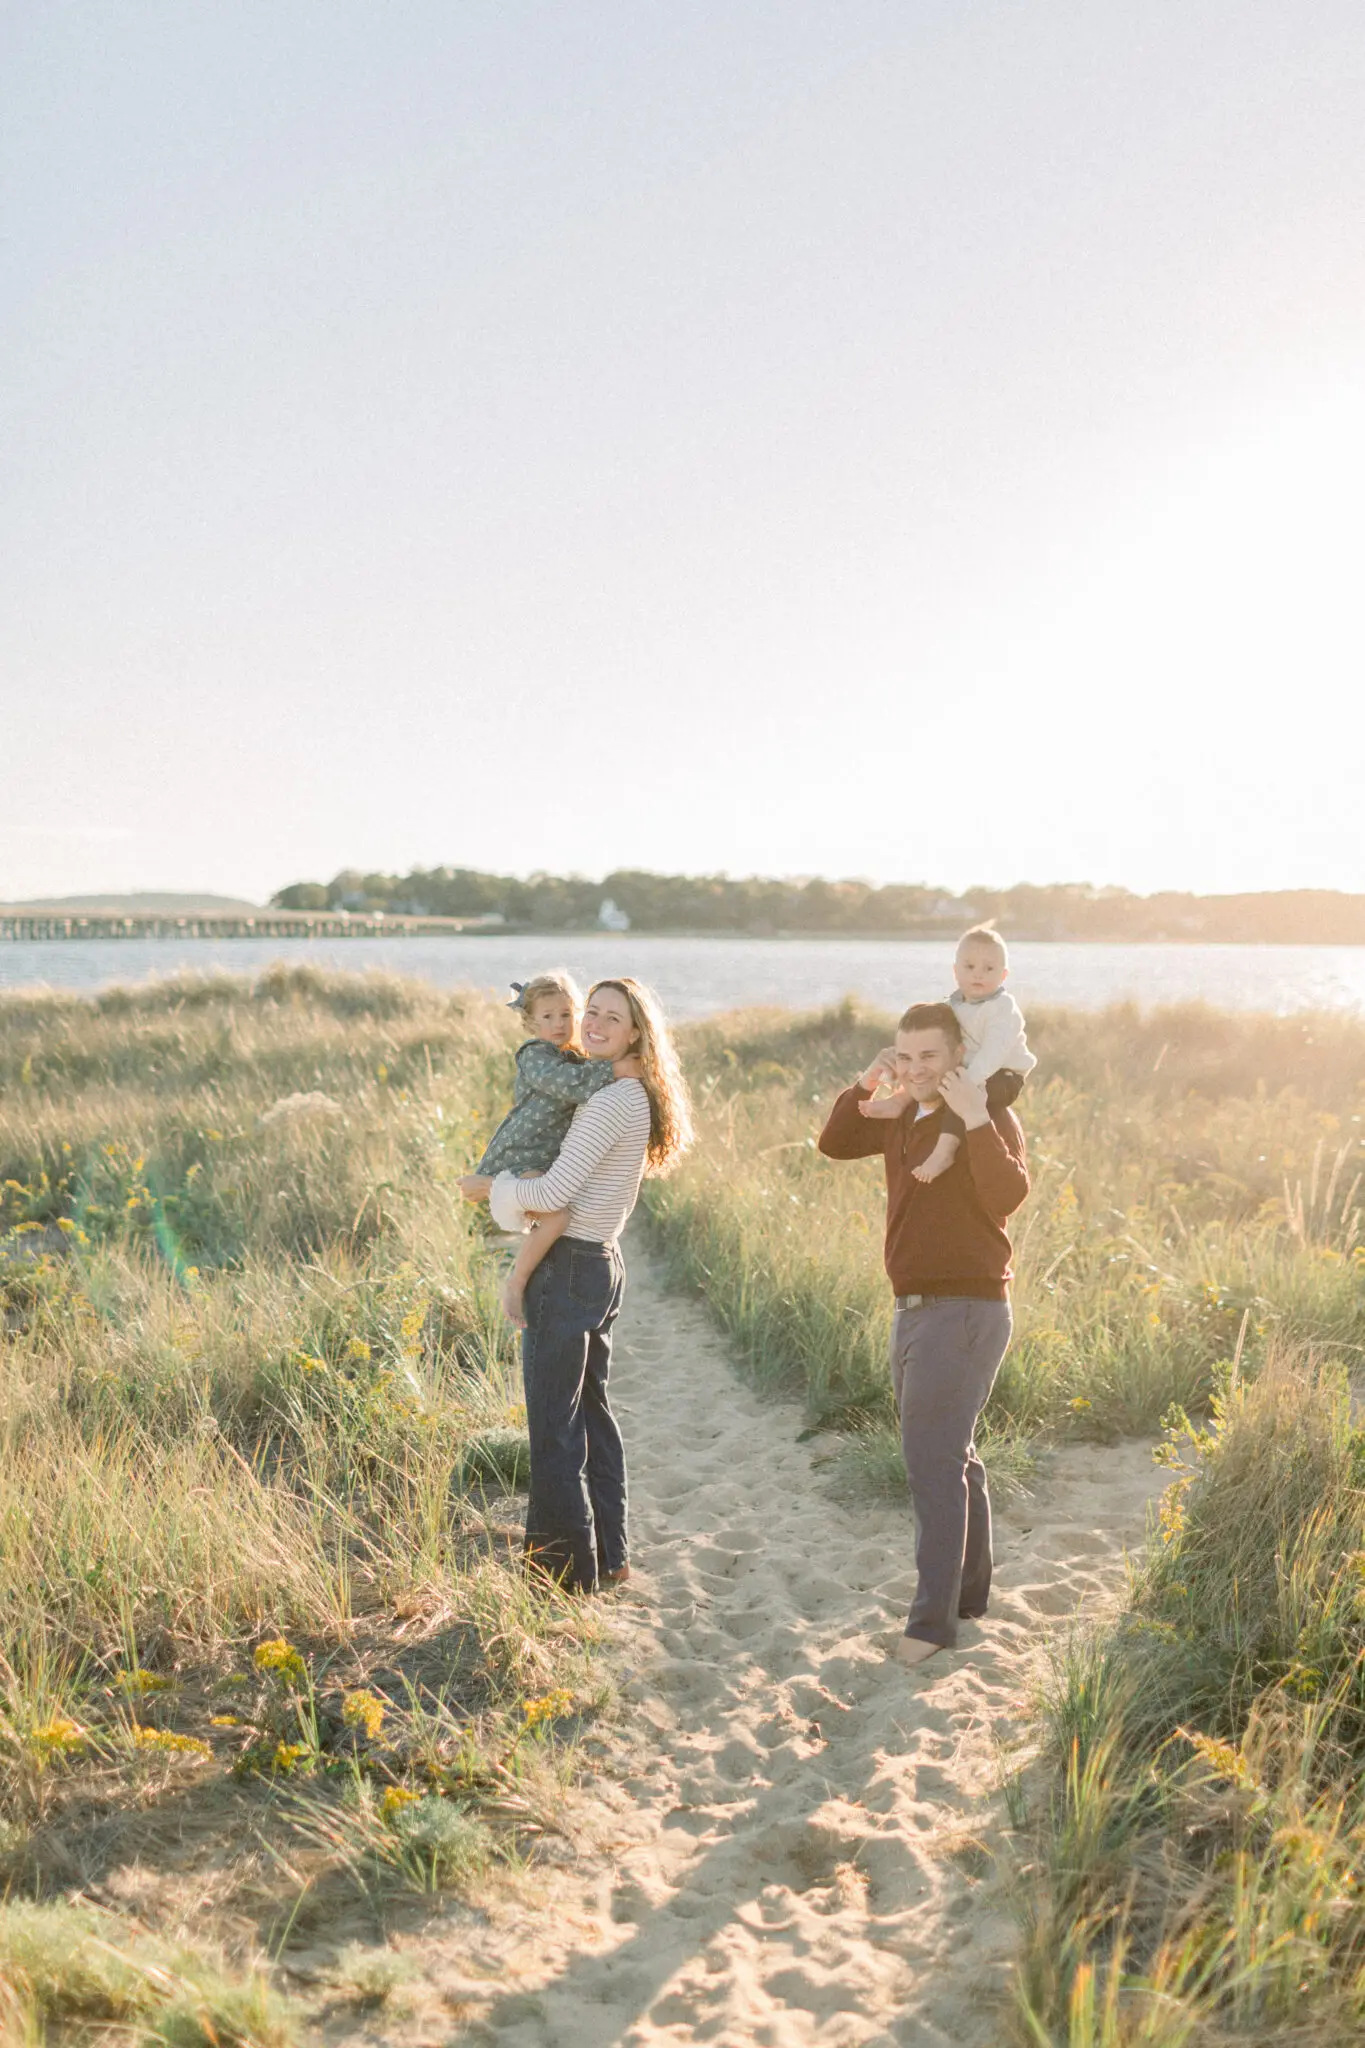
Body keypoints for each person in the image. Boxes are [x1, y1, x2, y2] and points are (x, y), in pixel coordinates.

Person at [460, 978, 692, 1595]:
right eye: (592, 1011)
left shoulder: (611, 1100)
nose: (594, 1023)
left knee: (554, 1428)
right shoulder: (629, 1092)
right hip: (600, 1263)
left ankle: (562, 1575)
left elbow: (555, 1193)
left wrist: (493, 1187)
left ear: (636, 1032)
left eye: (612, 1017)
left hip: (567, 1270)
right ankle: (610, 1556)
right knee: (591, 1417)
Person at [819, 1001, 1029, 1667]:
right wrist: (868, 1080)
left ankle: (931, 1626)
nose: (915, 1069)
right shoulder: (905, 1113)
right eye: (904, 1056)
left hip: (964, 1310)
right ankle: (967, 1597)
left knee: (931, 1465)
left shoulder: (984, 1113)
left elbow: (1007, 1195)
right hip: (912, 1308)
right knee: (953, 1456)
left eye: (929, 1056)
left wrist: (975, 1118)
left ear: (959, 1056)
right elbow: (834, 1142)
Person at [475, 972, 618, 1326]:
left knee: (553, 1218)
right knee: (557, 1217)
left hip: (542, 1155)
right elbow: (572, 1086)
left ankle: (543, 1266)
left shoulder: (570, 1056)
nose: (558, 1024)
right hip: (521, 1153)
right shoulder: (535, 1055)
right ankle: (516, 1283)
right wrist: (615, 1067)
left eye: (566, 1015)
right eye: (548, 1016)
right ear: (531, 1022)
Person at [859, 925, 1035, 1184]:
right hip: (970, 1070)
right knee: (931, 1074)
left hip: (1003, 1076)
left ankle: (944, 1151)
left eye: (989, 968)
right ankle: (899, 1101)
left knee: (958, 1097)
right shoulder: (953, 1004)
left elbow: (994, 1052)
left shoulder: (1002, 1009)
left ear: (1004, 975)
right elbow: (929, 1032)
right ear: (955, 971)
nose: (978, 974)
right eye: (969, 966)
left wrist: (967, 1083)